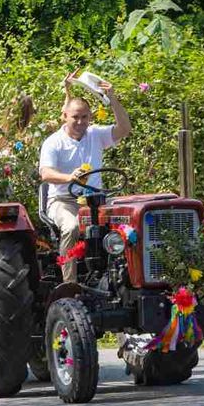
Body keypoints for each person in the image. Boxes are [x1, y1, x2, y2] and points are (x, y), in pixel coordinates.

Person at [38, 69, 133, 283]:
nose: (80, 122)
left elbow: (124, 129)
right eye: (75, 117)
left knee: (127, 225)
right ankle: (69, 284)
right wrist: (69, 177)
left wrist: (113, 98)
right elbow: (46, 173)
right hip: (64, 200)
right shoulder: (53, 142)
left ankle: (123, 279)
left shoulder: (96, 134)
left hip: (97, 200)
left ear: (90, 117)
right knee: (71, 227)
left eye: (84, 117)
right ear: (64, 116)